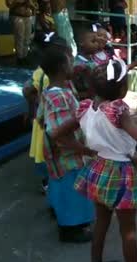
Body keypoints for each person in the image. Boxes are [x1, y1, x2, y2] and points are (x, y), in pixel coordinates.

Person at [53, 59, 137, 262]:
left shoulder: (85, 108)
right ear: (123, 89)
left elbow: (56, 134)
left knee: (102, 221)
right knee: (128, 231)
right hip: (123, 173)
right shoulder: (118, 111)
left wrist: (84, 149)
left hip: (98, 170)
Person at [37, 45, 95, 243]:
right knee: (72, 189)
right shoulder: (59, 96)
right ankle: (71, 229)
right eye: (71, 62)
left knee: (62, 186)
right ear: (62, 67)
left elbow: (39, 119)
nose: (74, 65)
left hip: (60, 156)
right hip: (68, 156)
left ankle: (65, 217)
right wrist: (85, 149)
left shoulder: (50, 92)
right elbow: (58, 134)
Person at [23, 33, 69, 194]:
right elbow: (29, 91)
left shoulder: (40, 72)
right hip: (53, 121)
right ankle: (52, 184)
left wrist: (31, 111)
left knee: (44, 152)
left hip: (42, 119)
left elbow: (29, 91)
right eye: (67, 54)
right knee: (53, 151)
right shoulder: (57, 77)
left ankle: (48, 182)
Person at [72, 26, 100, 100]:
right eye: (93, 41)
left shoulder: (92, 60)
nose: (97, 44)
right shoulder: (77, 64)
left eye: (97, 41)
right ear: (81, 43)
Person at [6, 0, 38, 65]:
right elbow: (9, 4)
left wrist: (32, 5)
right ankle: (20, 58)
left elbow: (36, 6)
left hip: (28, 17)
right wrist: (20, 2)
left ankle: (25, 57)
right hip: (17, 16)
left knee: (27, 38)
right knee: (19, 38)